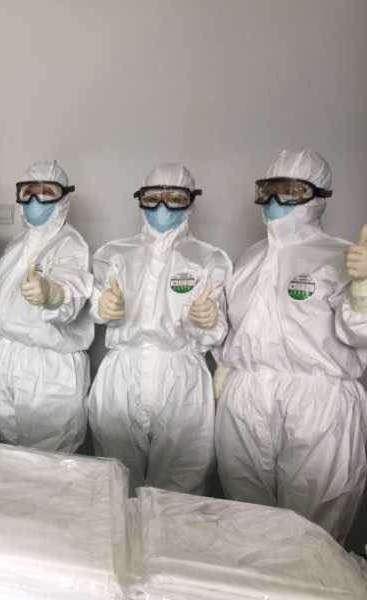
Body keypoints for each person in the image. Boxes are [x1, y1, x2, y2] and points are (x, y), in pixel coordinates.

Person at [214, 148, 367, 541]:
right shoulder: (249, 259)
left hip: (316, 405)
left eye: (292, 190)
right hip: (246, 399)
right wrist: (227, 366)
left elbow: (359, 334)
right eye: (269, 189)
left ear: (318, 196)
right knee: (245, 523)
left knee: (312, 534)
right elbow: (237, 327)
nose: (276, 200)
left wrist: (363, 292)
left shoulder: (342, 257)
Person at [89, 163, 231, 495]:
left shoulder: (210, 259)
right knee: (115, 482)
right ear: (141, 199)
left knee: (179, 489)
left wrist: (211, 321)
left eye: (175, 198)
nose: (163, 206)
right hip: (123, 373)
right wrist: (101, 307)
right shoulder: (115, 253)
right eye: (153, 197)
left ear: (191, 202)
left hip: (181, 377)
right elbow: (95, 304)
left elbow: (221, 329)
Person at [0, 160, 93, 452]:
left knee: (49, 463)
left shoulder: (71, 244)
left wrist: (53, 293)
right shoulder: (15, 246)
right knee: (13, 454)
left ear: (63, 198)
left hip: (49, 367)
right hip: (7, 358)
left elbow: (72, 289)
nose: (36, 200)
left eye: (46, 192)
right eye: (29, 192)